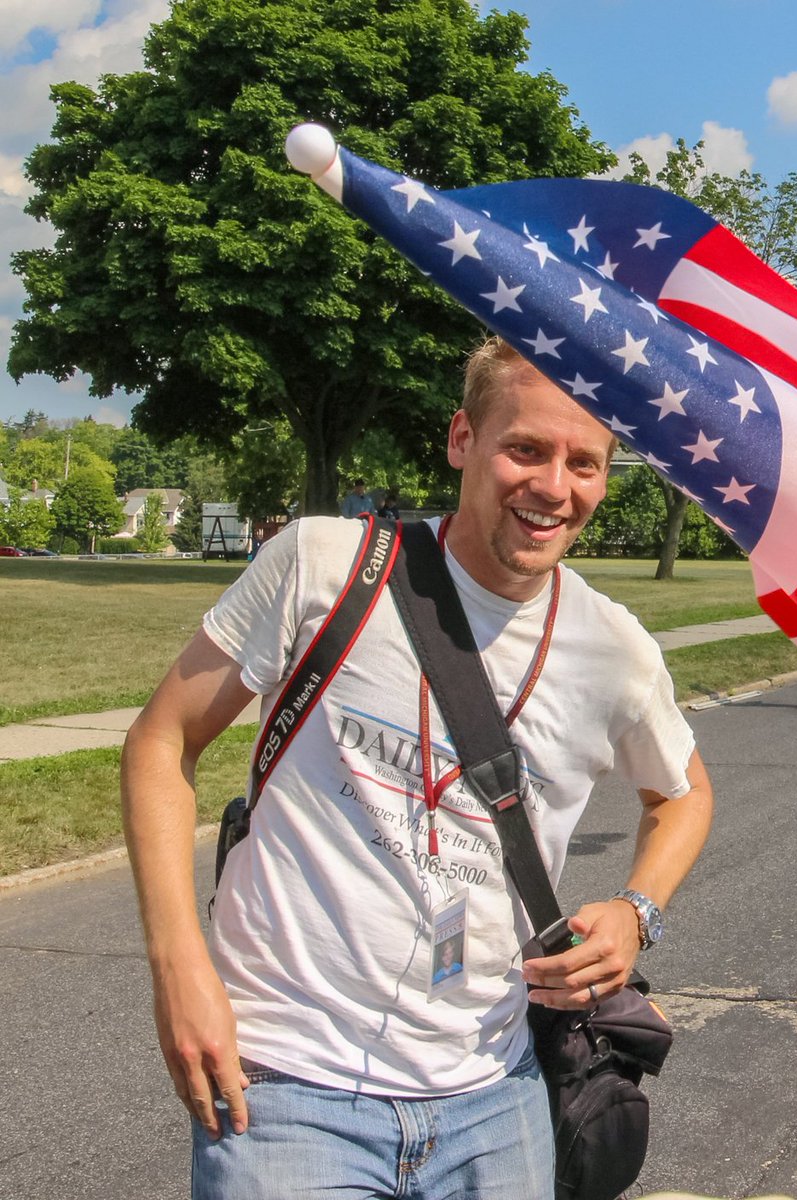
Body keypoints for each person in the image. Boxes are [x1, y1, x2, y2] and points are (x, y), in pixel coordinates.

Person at [121, 336, 713, 1200]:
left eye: (585, 463)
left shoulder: (614, 647)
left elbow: (685, 793)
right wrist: (181, 976)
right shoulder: (323, 565)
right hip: (286, 1088)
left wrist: (635, 910)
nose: (554, 486)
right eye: (525, 448)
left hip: (495, 1094)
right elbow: (160, 743)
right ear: (461, 440)